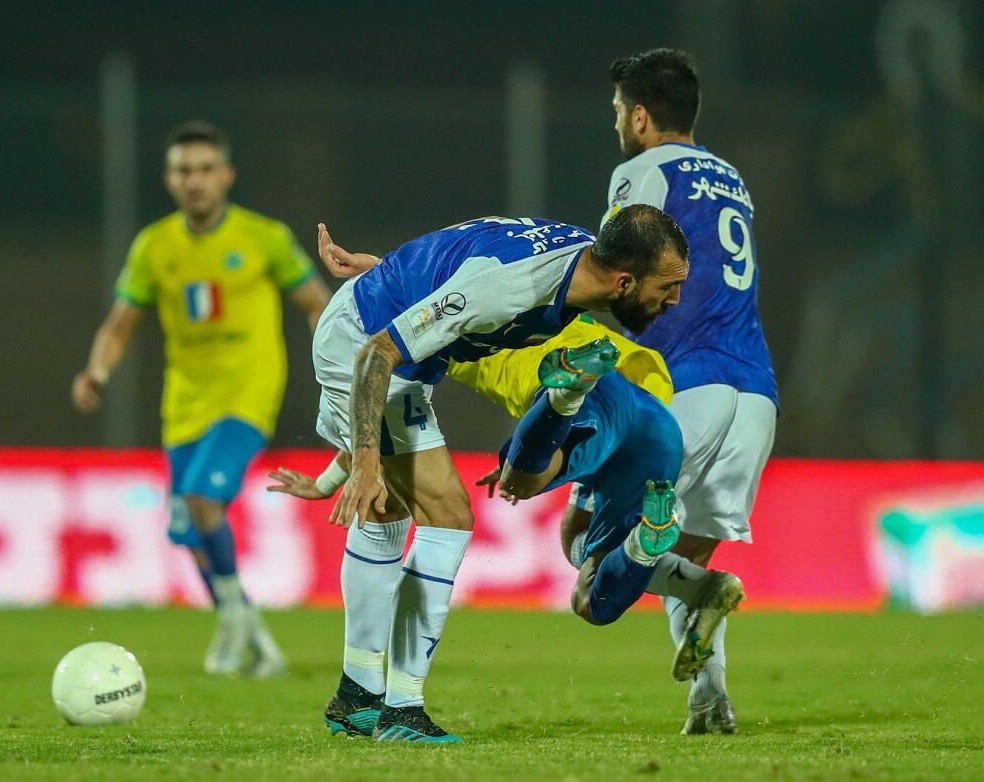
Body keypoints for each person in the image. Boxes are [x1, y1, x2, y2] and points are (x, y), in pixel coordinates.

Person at [307, 205, 688, 742]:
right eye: (667, 287)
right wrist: (365, 461)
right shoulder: (511, 286)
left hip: (386, 341)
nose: (673, 300)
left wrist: (399, 274)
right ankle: (401, 710)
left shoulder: (580, 259)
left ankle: (358, 694)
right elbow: (377, 353)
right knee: (448, 516)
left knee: (390, 512)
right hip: (364, 348)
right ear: (624, 280)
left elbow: (464, 253)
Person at [270, 319, 744, 736]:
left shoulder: (439, 331)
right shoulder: (537, 293)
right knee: (582, 560)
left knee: (521, 479)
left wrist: (328, 480)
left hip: (581, 400)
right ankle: (653, 554)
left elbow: (383, 421)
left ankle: (563, 399)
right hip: (652, 418)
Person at [72, 121, 330, 677]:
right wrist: (97, 369)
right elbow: (119, 325)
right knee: (189, 531)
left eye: (206, 170)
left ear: (227, 176)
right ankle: (256, 642)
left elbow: (316, 303)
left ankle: (232, 622)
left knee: (203, 501)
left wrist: (328, 351)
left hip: (248, 393)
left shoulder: (264, 237)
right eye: (185, 171)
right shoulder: (154, 247)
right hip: (184, 402)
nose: (196, 181)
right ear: (169, 179)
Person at [590, 48, 778, 733]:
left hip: (685, 383)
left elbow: (617, 268)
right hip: (754, 390)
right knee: (685, 550)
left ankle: (706, 597)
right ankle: (709, 699)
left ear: (640, 116)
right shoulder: (732, 178)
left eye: (617, 111)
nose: (615, 123)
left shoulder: (639, 172)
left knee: (584, 536)